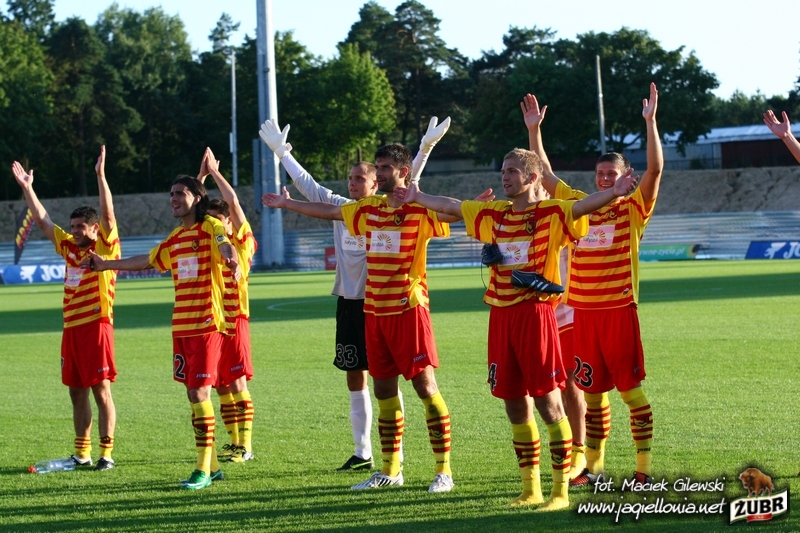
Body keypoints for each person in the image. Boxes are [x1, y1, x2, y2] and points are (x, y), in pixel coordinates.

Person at [396, 148, 638, 510]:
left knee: (548, 402)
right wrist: (418, 196)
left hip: (536, 315)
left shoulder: (551, 213)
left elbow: (581, 208)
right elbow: (453, 206)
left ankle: (560, 492)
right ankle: (530, 489)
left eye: (512, 171)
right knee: (513, 403)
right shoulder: (495, 214)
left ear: (532, 178)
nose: (505, 177)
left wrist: (613, 193)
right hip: (500, 317)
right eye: (503, 171)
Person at [258, 117, 450, 471]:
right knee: (362, 377)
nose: (353, 181)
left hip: (396, 304)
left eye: (361, 177)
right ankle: (365, 453)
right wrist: (282, 155)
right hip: (353, 304)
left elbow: (410, 186)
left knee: (409, 382)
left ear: (376, 182)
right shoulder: (353, 210)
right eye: (351, 177)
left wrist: (425, 149)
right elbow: (310, 189)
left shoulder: (401, 208)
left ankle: (418, 462)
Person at [522, 83, 663, 487]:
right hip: (582, 314)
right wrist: (534, 131)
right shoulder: (580, 205)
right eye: (600, 174)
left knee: (630, 393)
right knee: (594, 395)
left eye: (611, 174)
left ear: (624, 177)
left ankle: (643, 471)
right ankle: (593, 469)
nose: (604, 179)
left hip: (618, 310)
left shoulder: (633, 208)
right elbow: (546, 175)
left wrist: (650, 122)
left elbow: (655, 171)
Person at [85, 175, 240, 490]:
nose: (173, 199)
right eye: (171, 194)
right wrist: (106, 265)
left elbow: (225, 243)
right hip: (181, 327)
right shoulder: (176, 237)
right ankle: (213, 467)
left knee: (199, 394)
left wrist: (231, 258)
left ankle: (202, 470)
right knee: (192, 395)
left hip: (207, 324)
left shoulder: (210, 226)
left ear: (197, 198)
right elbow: (147, 259)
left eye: (180, 193)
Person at [11, 146, 120, 471]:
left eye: (81, 227)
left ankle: (106, 454)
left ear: (94, 229)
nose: (74, 231)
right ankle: (82, 454)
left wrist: (100, 176)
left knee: (101, 391)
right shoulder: (69, 247)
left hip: (97, 326)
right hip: (71, 329)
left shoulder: (105, 246)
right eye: (73, 226)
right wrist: (28, 188)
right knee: (76, 391)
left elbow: (109, 216)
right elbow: (43, 221)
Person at [197, 148, 257, 463]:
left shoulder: (242, 243)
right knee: (220, 386)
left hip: (236, 320)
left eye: (220, 222)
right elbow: (192, 212)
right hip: (214, 322)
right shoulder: (208, 244)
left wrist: (215, 173)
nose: (216, 228)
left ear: (230, 223)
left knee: (236, 382)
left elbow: (233, 202)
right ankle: (233, 442)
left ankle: (245, 446)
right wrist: (200, 178)